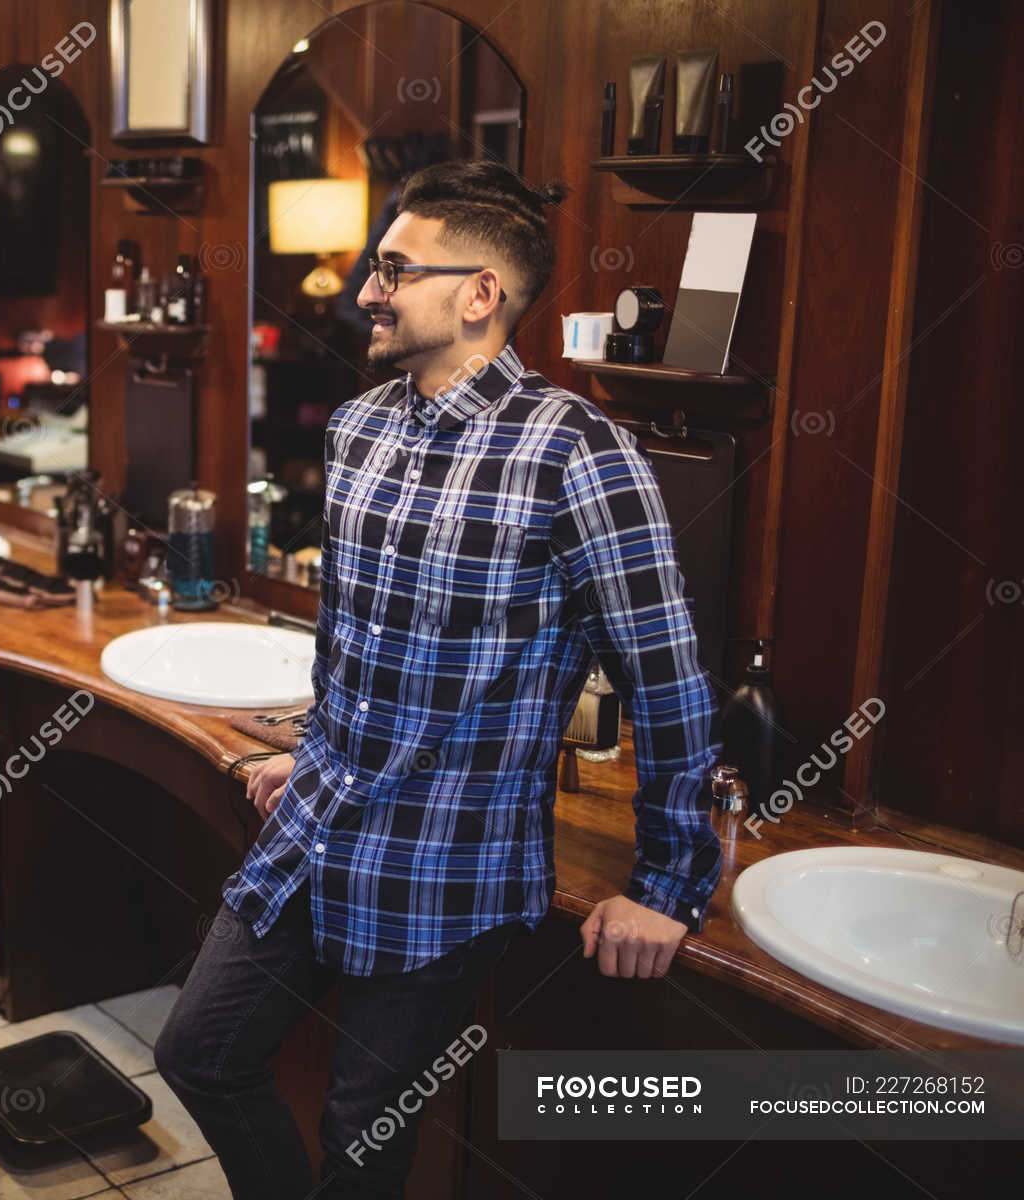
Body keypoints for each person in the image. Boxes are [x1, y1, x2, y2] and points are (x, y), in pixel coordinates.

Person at [155, 160, 722, 1199]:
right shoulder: (360, 429)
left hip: (448, 865)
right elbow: (353, 644)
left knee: (363, 1138)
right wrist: (316, 755)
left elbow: (669, 683)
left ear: (478, 295)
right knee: (198, 1051)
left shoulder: (581, 454)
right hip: (320, 824)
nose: (368, 291)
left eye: (393, 270)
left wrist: (668, 886)